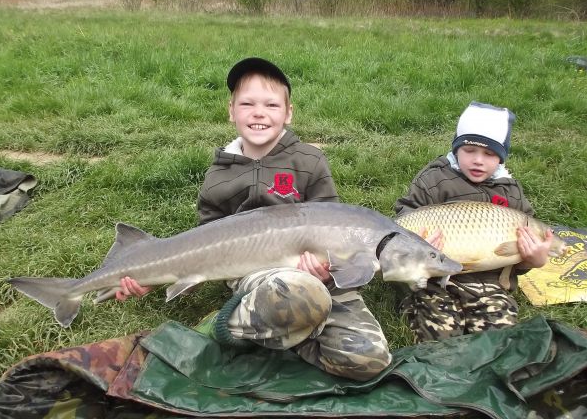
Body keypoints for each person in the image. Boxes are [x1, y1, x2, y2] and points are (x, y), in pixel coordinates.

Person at [117, 57, 391, 381]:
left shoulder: (310, 160)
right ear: (231, 110)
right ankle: (226, 325)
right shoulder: (218, 177)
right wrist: (155, 273)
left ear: (288, 113)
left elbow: (333, 218)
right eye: (247, 104)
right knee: (303, 295)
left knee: (369, 361)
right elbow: (207, 239)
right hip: (256, 275)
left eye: (271, 104)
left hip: (320, 277)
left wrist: (328, 268)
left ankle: (283, 334)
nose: (259, 112)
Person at [394, 101, 553, 343]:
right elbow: (405, 217)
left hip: (489, 283)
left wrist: (535, 259)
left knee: (499, 338)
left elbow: (518, 253)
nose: (478, 160)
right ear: (456, 148)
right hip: (433, 279)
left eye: (489, 154)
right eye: (469, 150)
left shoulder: (511, 193)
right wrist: (416, 246)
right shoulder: (433, 180)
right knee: (440, 337)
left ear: (501, 157)